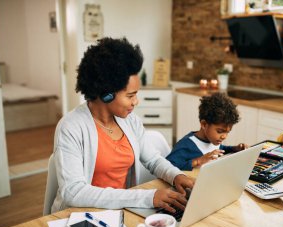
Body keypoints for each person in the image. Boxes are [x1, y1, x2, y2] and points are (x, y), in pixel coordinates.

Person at [50, 37, 194, 214]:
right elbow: (73, 192)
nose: (136, 101)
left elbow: (152, 160)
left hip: (121, 211)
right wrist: (147, 197)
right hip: (79, 217)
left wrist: (176, 176)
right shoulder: (71, 127)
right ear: (106, 94)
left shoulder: (130, 120)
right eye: (130, 95)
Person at [166, 92, 247, 171]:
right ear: (204, 124)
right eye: (220, 131)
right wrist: (198, 161)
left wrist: (235, 148)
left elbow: (221, 149)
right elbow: (167, 165)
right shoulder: (186, 144)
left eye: (227, 132)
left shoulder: (213, 140)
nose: (224, 136)